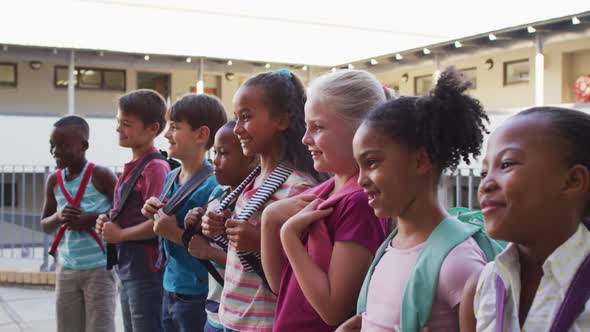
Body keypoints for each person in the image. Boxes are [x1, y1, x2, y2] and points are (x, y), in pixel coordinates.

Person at [340, 67, 489, 331]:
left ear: (421, 160)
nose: (361, 179)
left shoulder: (457, 262)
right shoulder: (392, 244)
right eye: (359, 165)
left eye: (372, 162)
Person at [261, 70, 389, 331]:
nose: (305, 138)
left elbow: (333, 310)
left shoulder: (359, 202)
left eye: (317, 127)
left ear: (361, 129)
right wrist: (270, 219)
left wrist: (288, 236)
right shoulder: (328, 189)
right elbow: (281, 285)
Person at [201, 69, 319, 332]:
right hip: (232, 317)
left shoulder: (298, 187)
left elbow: (307, 266)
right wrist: (219, 228)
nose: (238, 128)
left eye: (246, 117)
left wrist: (256, 242)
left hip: (264, 322)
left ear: (281, 120)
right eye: (236, 118)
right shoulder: (252, 183)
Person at [460, 107, 590, 331]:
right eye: (483, 172)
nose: (486, 184)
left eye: (507, 164)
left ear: (573, 181)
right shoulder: (485, 285)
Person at [141, 94, 227, 332]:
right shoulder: (171, 176)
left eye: (175, 128)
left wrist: (173, 232)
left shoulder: (213, 185)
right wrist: (154, 211)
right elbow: (167, 221)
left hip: (197, 293)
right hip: (170, 286)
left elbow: (212, 247)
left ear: (202, 135)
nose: (167, 135)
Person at [95, 89, 170, 332]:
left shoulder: (155, 167)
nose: (119, 129)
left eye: (127, 124)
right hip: (129, 267)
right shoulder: (134, 165)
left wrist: (120, 235)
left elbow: (161, 223)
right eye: (119, 122)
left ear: (153, 129)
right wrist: (108, 220)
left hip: (146, 271)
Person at [40, 115, 118, 332]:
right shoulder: (54, 180)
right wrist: (58, 217)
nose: (55, 151)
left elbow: (121, 213)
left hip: (99, 269)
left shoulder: (101, 175)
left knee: (99, 327)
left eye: (63, 146)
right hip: (66, 269)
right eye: (52, 145)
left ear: (84, 146)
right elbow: (45, 224)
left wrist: (92, 218)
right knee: (67, 327)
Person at [185, 119, 258, 332]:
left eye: (224, 154)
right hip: (216, 307)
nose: (215, 161)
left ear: (252, 159)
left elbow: (251, 264)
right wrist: (196, 223)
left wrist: (207, 252)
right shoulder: (218, 194)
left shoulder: (253, 202)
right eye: (214, 152)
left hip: (242, 313)